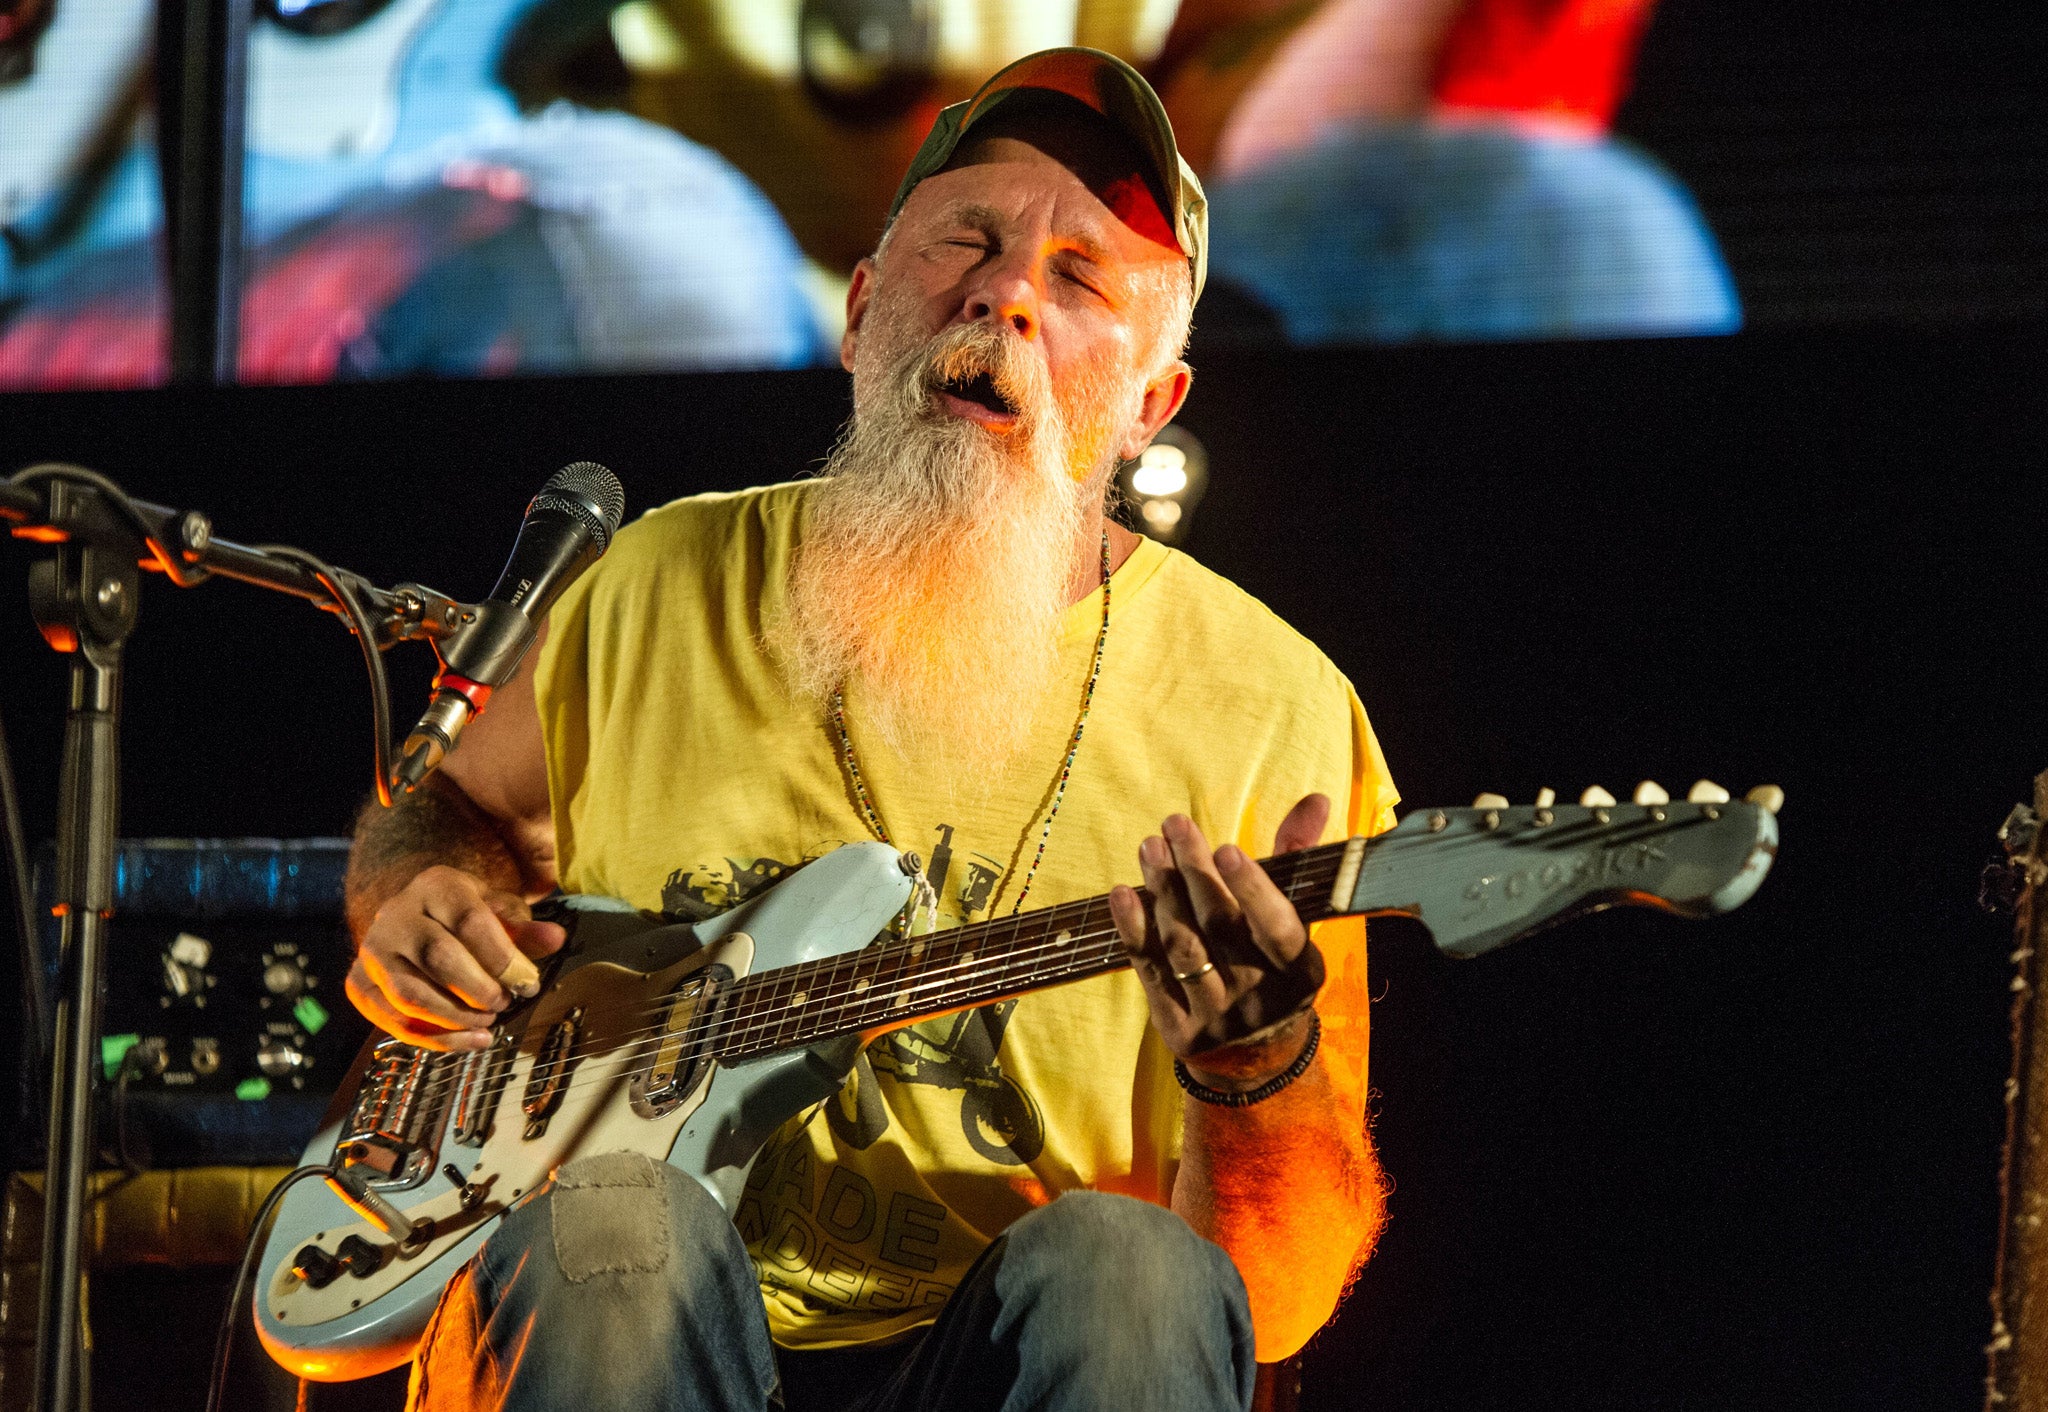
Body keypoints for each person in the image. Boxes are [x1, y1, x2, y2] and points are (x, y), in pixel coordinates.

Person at [342, 47, 1399, 1412]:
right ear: (857, 311)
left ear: (1149, 406)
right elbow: (444, 818)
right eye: (968, 237)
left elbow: (1282, 1293)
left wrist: (1256, 1061)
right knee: (613, 1231)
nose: (1005, 293)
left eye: (1080, 279)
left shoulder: (1279, 710)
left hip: (1015, 1356)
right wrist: (423, 899)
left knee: (1128, 1270)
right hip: (646, 1327)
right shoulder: (652, 582)